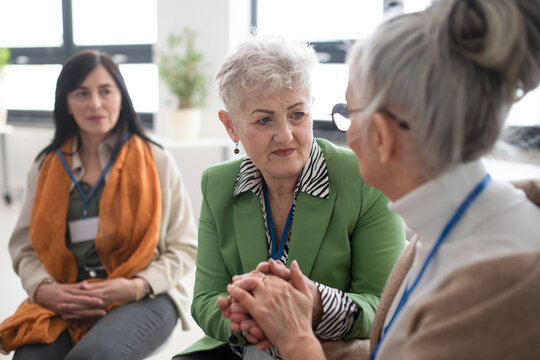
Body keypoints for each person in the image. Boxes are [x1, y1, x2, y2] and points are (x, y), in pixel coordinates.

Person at [225, 0, 540, 359]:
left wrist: (297, 338)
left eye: (348, 113)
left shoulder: (503, 282)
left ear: (381, 134)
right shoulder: (446, 232)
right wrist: (313, 306)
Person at [175, 35, 405, 360]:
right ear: (231, 127)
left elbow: (384, 304)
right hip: (244, 348)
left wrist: (317, 305)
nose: (285, 135)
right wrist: (250, 323)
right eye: (264, 119)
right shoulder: (219, 183)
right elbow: (205, 298)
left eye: (297, 115)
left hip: (327, 347)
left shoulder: (364, 178)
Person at [0, 50, 198, 360]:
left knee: (93, 356)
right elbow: (24, 248)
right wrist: (42, 289)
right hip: (66, 294)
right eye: (81, 93)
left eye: (105, 91)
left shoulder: (156, 161)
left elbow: (185, 247)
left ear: (121, 96)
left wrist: (136, 286)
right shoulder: (46, 166)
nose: (95, 103)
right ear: (66, 102)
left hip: (145, 293)